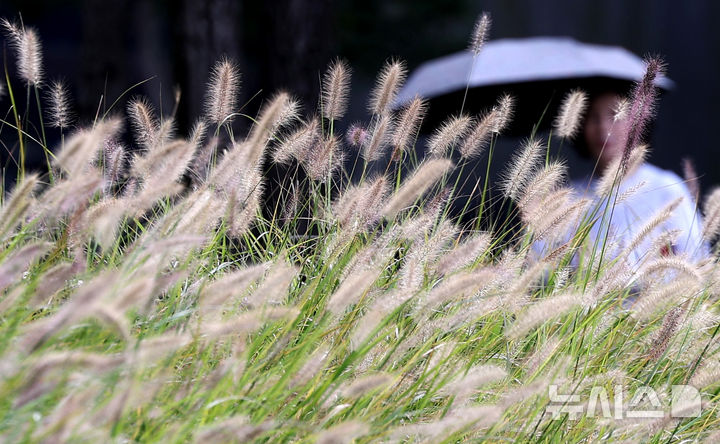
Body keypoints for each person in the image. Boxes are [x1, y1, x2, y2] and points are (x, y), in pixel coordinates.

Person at [570, 90, 707, 266]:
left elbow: (698, 263)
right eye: (592, 117)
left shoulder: (665, 189)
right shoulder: (569, 198)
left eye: (615, 115)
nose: (603, 127)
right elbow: (545, 272)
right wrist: (535, 228)